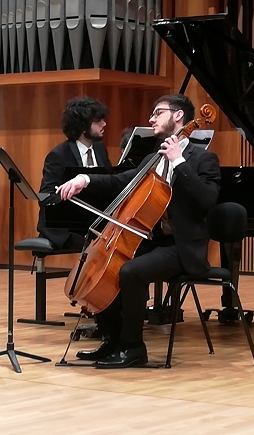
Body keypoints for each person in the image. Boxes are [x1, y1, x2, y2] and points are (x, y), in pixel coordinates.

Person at [56, 94, 221, 368]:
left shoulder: (203, 159)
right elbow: (118, 181)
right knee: (106, 266)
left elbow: (207, 200)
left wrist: (179, 162)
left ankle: (133, 348)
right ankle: (112, 341)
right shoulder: (152, 158)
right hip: (152, 241)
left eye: (158, 113)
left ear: (178, 116)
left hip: (181, 247)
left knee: (130, 271)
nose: (151, 119)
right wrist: (84, 179)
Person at [37, 96, 112, 250]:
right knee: (98, 245)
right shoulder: (59, 155)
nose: (104, 124)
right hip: (66, 226)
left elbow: (108, 181)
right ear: (83, 126)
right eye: (98, 121)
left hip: (94, 221)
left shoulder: (100, 149)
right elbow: (46, 196)